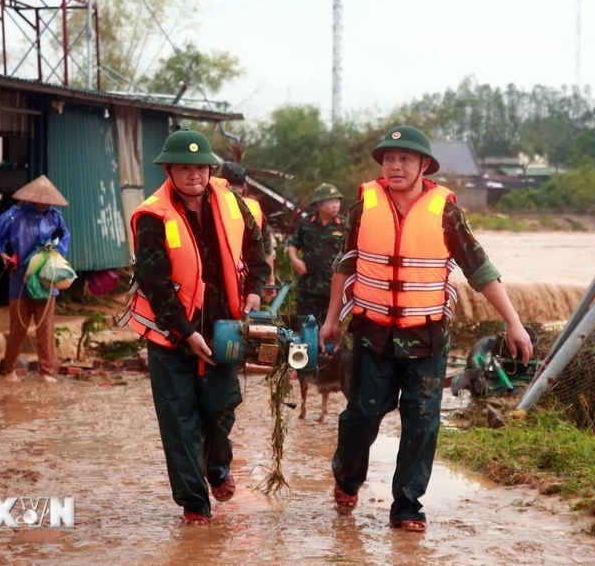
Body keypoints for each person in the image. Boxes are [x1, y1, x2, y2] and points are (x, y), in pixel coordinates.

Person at [320, 125, 533, 532]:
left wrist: (514, 323)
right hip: (372, 334)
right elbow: (344, 265)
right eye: (389, 159)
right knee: (361, 417)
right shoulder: (363, 208)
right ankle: (347, 477)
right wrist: (332, 320)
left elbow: (479, 269)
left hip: (427, 338)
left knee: (422, 423)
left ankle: (407, 506)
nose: (395, 166)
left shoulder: (446, 211)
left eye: (405, 159)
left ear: (423, 166)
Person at [118, 129, 268, 526]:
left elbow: (257, 255)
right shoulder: (152, 216)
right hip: (170, 334)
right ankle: (194, 504)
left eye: (200, 167)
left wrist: (253, 292)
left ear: (209, 169)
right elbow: (156, 284)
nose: (194, 176)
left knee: (221, 410)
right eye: (184, 168)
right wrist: (187, 332)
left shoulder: (232, 203)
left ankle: (218, 469)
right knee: (179, 419)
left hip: (224, 330)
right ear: (169, 170)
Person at [0, 175, 71, 383]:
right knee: (18, 326)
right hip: (19, 279)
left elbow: (65, 240)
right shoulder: (15, 215)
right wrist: (2, 254)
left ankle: (46, 372)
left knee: (45, 327)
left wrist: (55, 250)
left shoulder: (55, 218)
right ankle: (10, 370)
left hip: (46, 279)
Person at [288, 183, 346, 331]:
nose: (336, 205)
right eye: (331, 201)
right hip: (309, 287)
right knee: (304, 329)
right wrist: (295, 260)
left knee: (330, 330)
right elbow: (293, 244)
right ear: (319, 204)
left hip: (332, 289)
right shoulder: (307, 223)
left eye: (337, 201)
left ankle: (327, 353)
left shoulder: (344, 226)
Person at [220, 162, 276, 297]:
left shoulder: (213, 205)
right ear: (244, 186)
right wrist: (270, 280)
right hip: (250, 284)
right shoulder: (255, 209)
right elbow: (266, 251)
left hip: (221, 282)